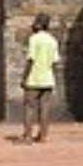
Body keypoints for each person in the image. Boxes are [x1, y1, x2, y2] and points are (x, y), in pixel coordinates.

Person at [18, 13, 59, 144]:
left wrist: (24, 77)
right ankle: (43, 136)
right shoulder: (53, 40)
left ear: (38, 24)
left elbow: (31, 59)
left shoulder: (34, 39)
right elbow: (54, 62)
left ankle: (28, 136)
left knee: (29, 107)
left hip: (34, 78)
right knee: (45, 108)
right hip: (48, 78)